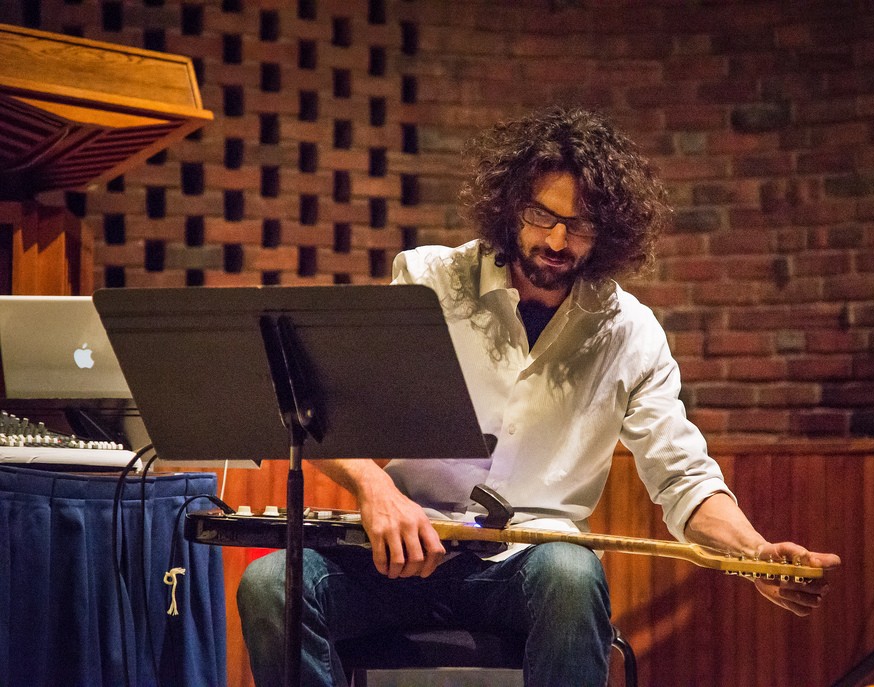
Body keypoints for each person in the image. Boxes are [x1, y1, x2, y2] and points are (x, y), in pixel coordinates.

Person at [237, 106, 841, 686]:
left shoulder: (630, 332)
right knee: (272, 585)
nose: (556, 239)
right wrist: (378, 492)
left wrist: (755, 553)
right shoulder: (429, 281)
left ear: (607, 231)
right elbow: (315, 412)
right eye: (541, 215)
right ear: (510, 205)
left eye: (578, 225)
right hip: (406, 552)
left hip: (529, 571)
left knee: (571, 572)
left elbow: (684, 480)